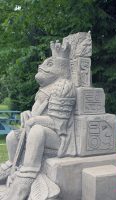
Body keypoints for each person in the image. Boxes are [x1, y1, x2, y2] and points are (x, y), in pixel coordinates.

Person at [0, 40, 76, 200]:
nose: (41, 67)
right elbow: (36, 115)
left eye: (48, 64)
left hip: (59, 140)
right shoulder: (43, 90)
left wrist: (35, 121)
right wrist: (28, 113)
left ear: (60, 67)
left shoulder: (63, 87)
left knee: (37, 131)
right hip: (37, 132)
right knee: (12, 136)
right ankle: (14, 166)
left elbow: (58, 124)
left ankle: (27, 175)